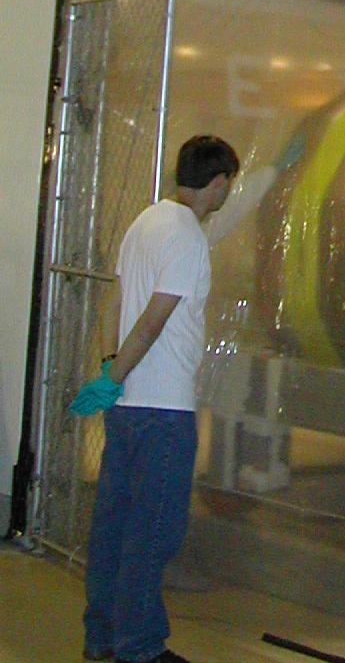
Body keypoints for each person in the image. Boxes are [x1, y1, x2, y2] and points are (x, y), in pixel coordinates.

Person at [69, 133, 257, 663]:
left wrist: (109, 370)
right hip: (164, 408)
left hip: (127, 407)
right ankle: (140, 647)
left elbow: (115, 302)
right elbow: (154, 319)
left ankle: (102, 636)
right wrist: (116, 373)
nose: (226, 194)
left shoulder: (145, 222)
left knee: (113, 525)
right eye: (228, 184)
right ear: (217, 183)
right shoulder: (187, 237)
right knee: (153, 532)